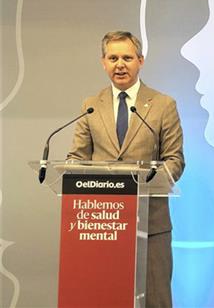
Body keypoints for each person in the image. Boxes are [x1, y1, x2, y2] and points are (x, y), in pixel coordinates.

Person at [68, 31, 185, 307]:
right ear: (103, 63)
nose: (120, 64)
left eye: (127, 58)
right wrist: (72, 169)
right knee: (103, 298)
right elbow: (76, 158)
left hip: (151, 225)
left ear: (141, 61)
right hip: (102, 224)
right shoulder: (90, 106)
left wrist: (144, 182)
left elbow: (175, 160)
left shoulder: (162, 104)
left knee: (155, 300)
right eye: (113, 58)